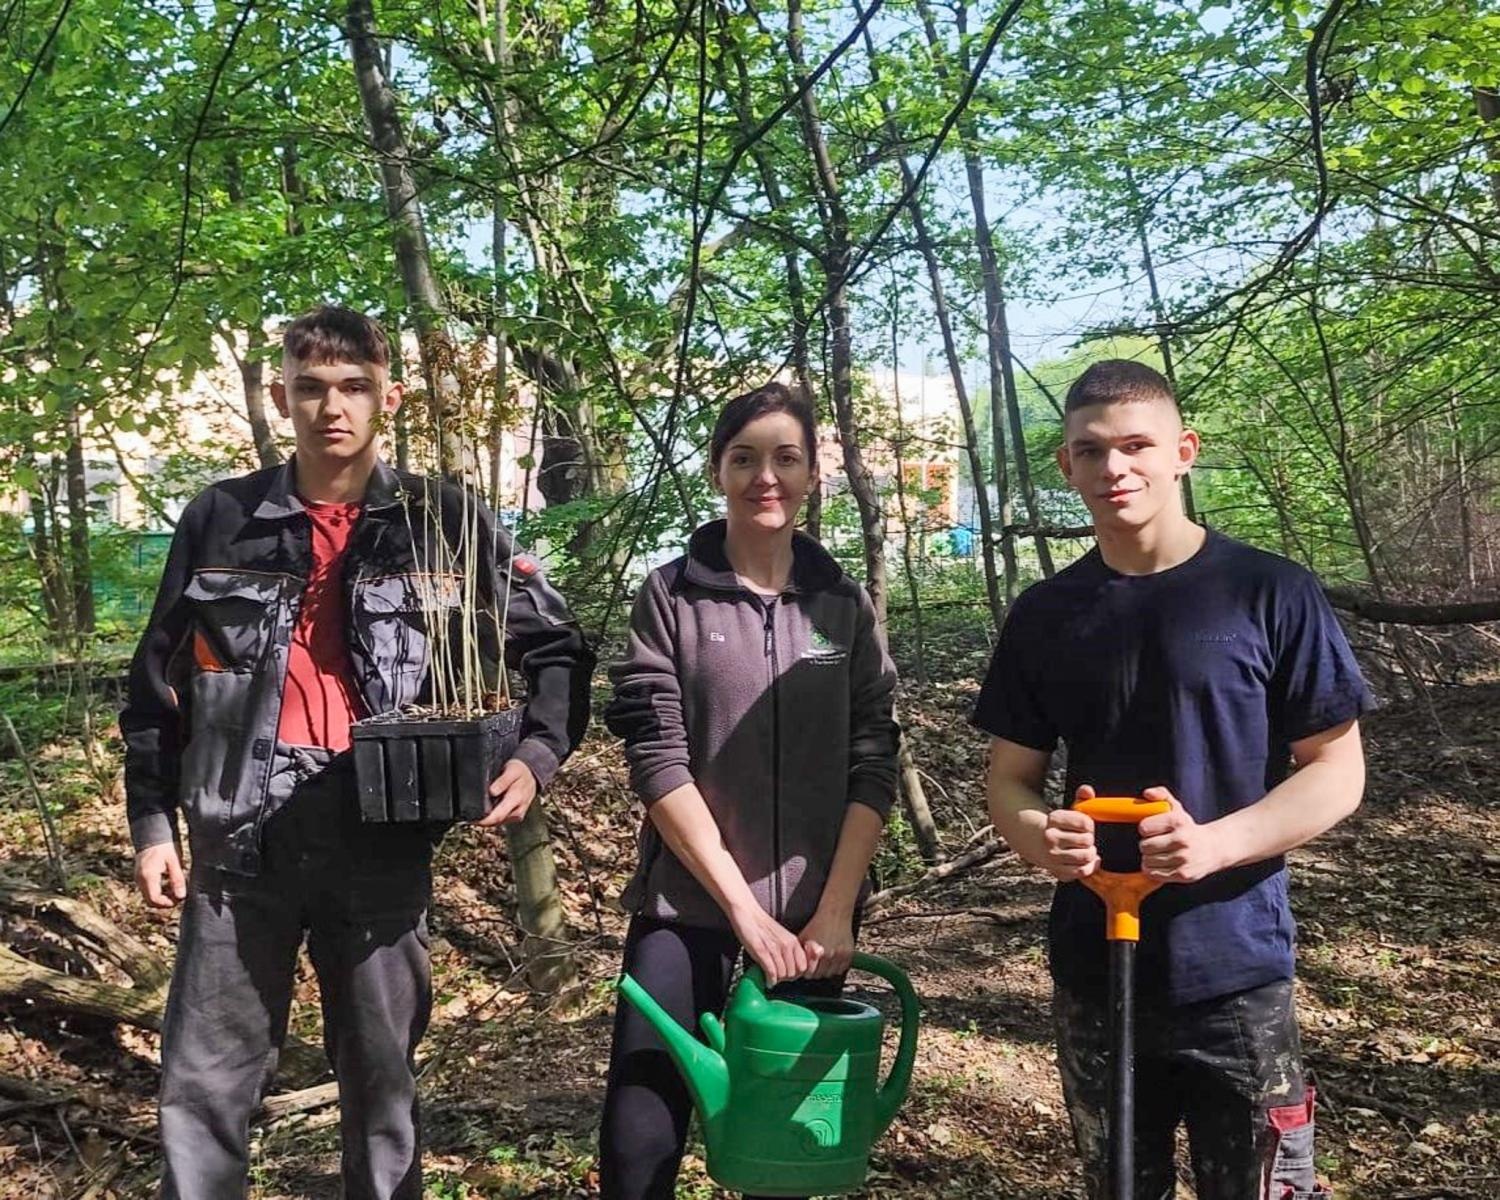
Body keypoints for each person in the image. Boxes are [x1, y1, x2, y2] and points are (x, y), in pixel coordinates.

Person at [120, 305, 594, 1199]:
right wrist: (152, 822)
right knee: (204, 1088)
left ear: (390, 397)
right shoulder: (221, 518)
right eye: (309, 388)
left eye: (353, 387)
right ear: (280, 396)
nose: (330, 407)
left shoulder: (443, 520)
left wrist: (533, 756)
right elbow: (159, 682)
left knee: (381, 1089)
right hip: (237, 835)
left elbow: (555, 647)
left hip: (381, 826)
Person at [975, 360, 1369, 1199]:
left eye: (1136, 445)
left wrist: (1216, 843)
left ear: (1182, 451)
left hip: (1235, 969)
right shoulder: (1046, 615)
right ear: (1067, 468)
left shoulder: (1269, 592)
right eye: (1090, 451)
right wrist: (1038, 835)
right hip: (1095, 968)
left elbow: (1338, 770)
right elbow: (1009, 780)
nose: (1114, 468)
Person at [598, 381, 900, 1200]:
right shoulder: (671, 596)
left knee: (793, 1149)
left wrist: (835, 908)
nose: (766, 477)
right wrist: (742, 912)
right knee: (640, 1133)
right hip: (687, 905)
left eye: (786, 458)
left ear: (811, 476)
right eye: (745, 458)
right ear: (716, 471)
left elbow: (873, 760)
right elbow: (657, 762)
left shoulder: (843, 608)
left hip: (816, 920)